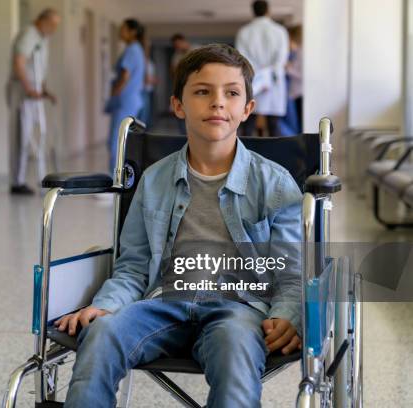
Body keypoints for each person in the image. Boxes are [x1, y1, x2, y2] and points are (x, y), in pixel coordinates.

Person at [58, 44, 302, 407]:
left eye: (231, 93)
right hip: (162, 303)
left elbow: (292, 272)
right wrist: (107, 305)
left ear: (247, 109)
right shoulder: (154, 180)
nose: (217, 102)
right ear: (178, 105)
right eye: (202, 91)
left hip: (238, 310)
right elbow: (135, 265)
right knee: (102, 333)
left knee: (236, 354)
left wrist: (286, 314)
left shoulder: (276, 185)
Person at [7, 9, 60, 195]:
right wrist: (29, 88)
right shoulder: (29, 34)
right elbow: (19, 62)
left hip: (34, 90)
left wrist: (44, 90)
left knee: (38, 134)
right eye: (52, 25)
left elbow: (39, 67)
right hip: (23, 91)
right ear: (42, 20)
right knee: (22, 136)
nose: (54, 29)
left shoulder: (42, 38)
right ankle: (17, 182)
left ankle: (40, 175)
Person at [236, 0, 289, 136]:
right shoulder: (279, 31)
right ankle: (276, 155)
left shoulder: (244, 32)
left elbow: (243, 57)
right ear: (268, 11)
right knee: (273, 124)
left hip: (254, 79)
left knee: (248, 120)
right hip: (274, 80)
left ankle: (243, 155)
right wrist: (269, 75)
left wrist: (259, 75)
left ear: (253, 12)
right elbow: (281, 57)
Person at [104, 19, 146, 174]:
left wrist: (115, 90)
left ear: (132, 32)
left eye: (123, 29)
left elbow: (125, 74)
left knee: (116, 141)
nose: (120, 32)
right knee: (122, 140)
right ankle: (120, 179)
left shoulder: (132, 49)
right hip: (132, 100)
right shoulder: (137, 49)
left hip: (126, 100)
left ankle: (113, 182)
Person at [138, 42, 158, 129]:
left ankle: (143, 135)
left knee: (146, 116)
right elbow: (144, 78)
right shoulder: (140, 61)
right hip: (142, 91)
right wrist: (151, 80)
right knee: (142, 116)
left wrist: (153, 80)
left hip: (149, 90)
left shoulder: (149, 61)